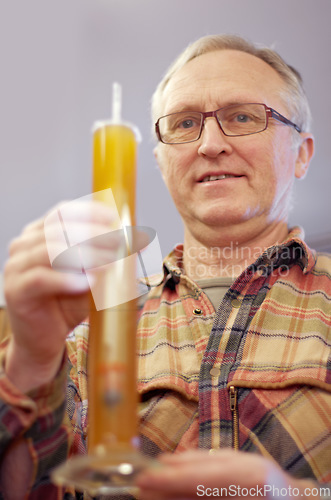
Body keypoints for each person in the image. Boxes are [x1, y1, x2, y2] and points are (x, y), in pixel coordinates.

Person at [0, 34, 330, 499]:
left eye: (242, 117)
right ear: (159, 161)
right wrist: (30, 363)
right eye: (184, 123)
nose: (210, 144)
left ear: (301, 153)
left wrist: (296, 496)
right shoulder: (92, 327)